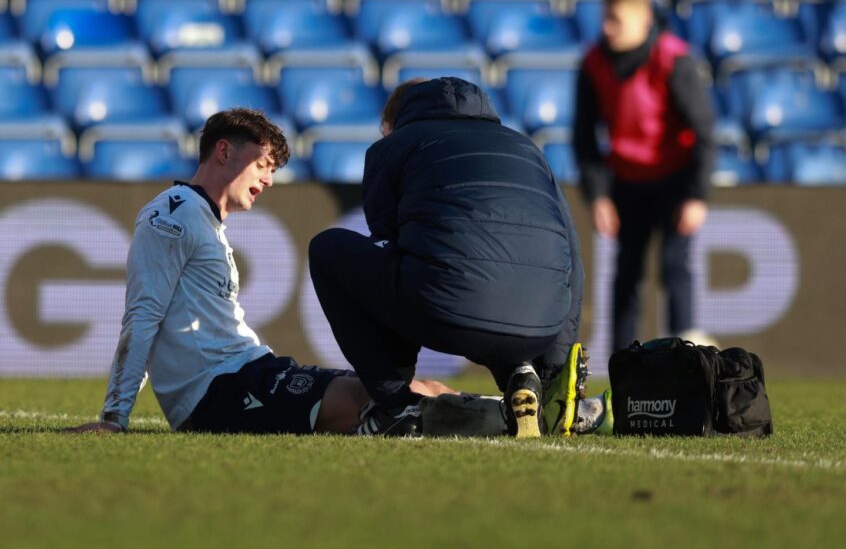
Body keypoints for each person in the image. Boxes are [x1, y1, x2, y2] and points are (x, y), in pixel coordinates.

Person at [66, 108, 454, 436]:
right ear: (223, 152)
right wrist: (114, 418)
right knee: (378, 402)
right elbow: (143, 314)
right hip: (219, 392)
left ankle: (505, 411)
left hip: (250, 373)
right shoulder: (173, 213)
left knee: (400, 391)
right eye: (262, 164)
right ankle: (496, 419)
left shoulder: (204, 221)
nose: (268, 179)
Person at [308, 77, 588, 439]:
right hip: (540, 327)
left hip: (444, 311)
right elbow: (573, 259)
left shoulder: (394, 146)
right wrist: (554, 366)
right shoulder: (527, 148)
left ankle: (396, 407)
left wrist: (395, 376)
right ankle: (522, 374)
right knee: (498, 276)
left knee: (329, 249)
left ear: (391, 123)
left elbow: (388, 239)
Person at [574, 0, 716, 353]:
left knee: (675, 267)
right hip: (626, 182)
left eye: (615, 20)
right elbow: (583, 136)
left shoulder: (673, 60)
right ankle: (624, 365)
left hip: (675, 178)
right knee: (626, 275)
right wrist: (598, 195)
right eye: (605, 19)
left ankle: (686, 359)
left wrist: (697, 196)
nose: (607, 28)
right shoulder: (592, 63)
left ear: (643, 21)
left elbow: (704, 130)